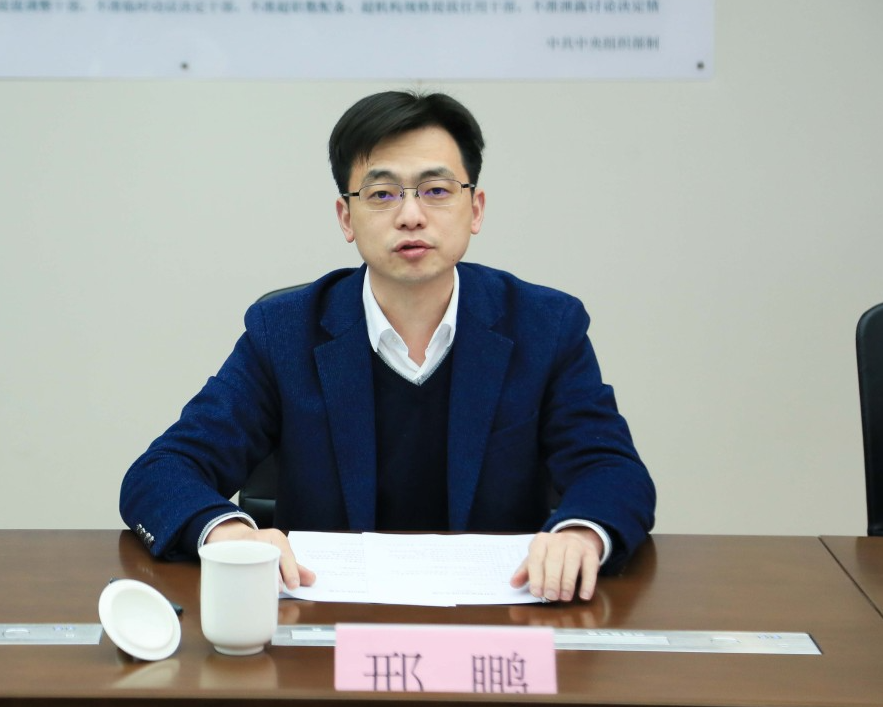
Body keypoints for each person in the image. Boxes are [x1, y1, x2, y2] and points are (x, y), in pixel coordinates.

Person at [120, 90, 655, 603]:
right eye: (382, 194)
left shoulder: (545, 326)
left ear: (476, 209)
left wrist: (581, 533)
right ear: (346, 218)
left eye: (436, 190)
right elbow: (162, 471)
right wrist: (228, 531)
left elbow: (613, 470)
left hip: (502, 620)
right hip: (327, 624)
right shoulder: (285, 333)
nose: (411, 215)